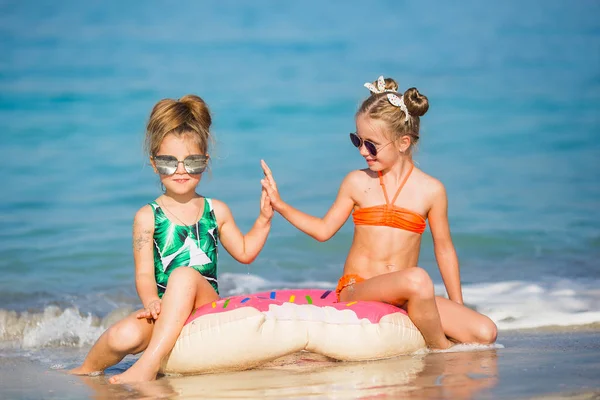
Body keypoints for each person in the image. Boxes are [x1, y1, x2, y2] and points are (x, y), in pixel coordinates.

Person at [261, 76, 497, 350]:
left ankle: (428, 332)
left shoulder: (432, 190)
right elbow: (323, 231)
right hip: (358, 288)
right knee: (419, 278)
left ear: (403, 142)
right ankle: (440, 350)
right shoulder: (357, 182)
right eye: (357, 141)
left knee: (485, 331)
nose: (363, 151)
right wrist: (280, 205)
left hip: (407, 294)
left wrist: (458, 305)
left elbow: (444, 250)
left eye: (371, 144)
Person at [69, 94, 273, 383]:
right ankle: (81, 372)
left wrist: (264, 219)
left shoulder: (216, 210)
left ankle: (147, 366)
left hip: (205, 308)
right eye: (169, 162)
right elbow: (143, 273)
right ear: (154, 164)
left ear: (205, 162)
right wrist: (151, 300)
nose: (180, 170)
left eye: (192, 162)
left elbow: (245, 252)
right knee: (121, 335)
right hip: (165, 311)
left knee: (184, 276)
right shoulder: (147, 217)